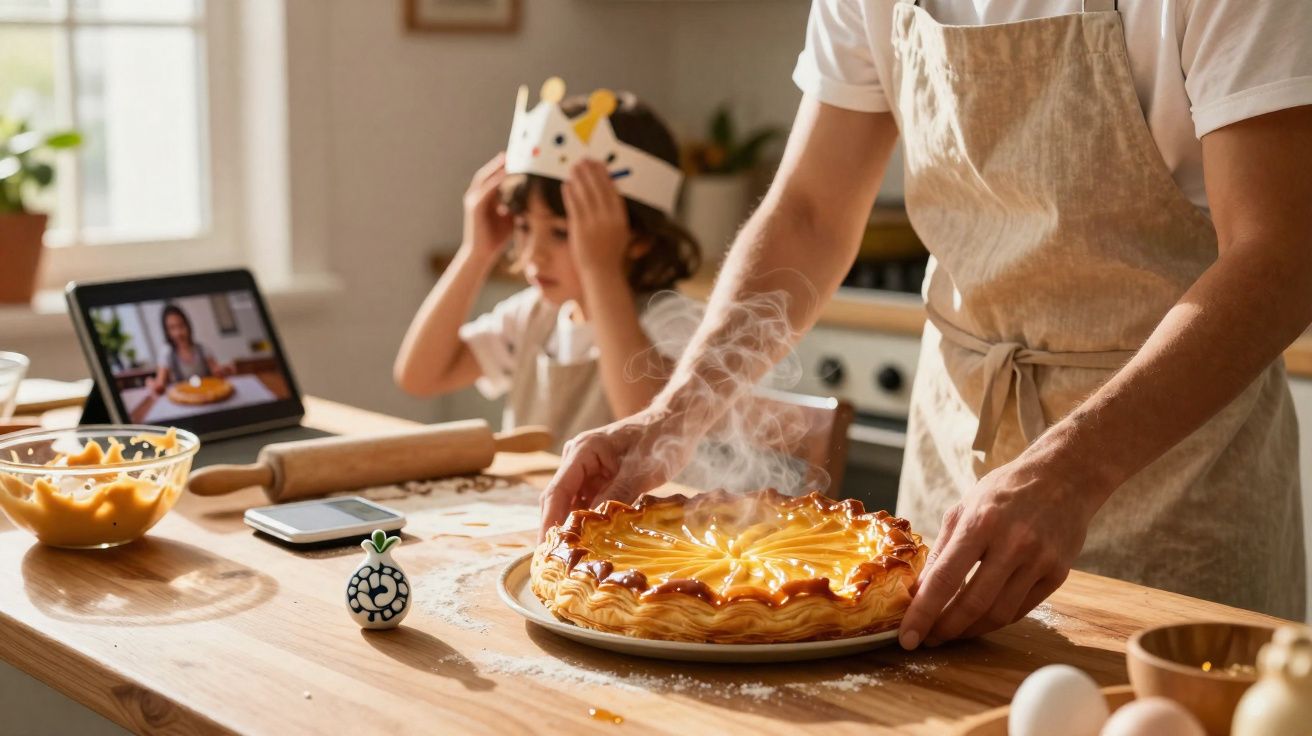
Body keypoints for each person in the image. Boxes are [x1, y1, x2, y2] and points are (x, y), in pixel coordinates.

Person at [539, 0, 1312, 650]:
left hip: (1176, 477)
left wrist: (1073, 469)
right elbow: (809, 213)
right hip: (955, 465)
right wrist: (671, 418)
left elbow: (1284, 251)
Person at [394, 90, 703, 452]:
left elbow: (650, 425)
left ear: (639, 239)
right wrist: (475, 253)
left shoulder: (673, 323)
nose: (533, 254)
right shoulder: (531, 317)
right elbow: (420, 377)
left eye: (560, 232)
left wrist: (601, 272)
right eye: (523, 226)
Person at [149, 304, 230, 393]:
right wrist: (153, 384)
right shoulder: (166, 353)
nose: (178, 333)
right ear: (167, 331)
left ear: (188, 325)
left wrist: (223, 371)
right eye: (172, 328)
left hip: (206, 395)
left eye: (181, 326)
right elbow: (160, 383)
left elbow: (217, 372)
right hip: (182, 401)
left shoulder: (203, 349)